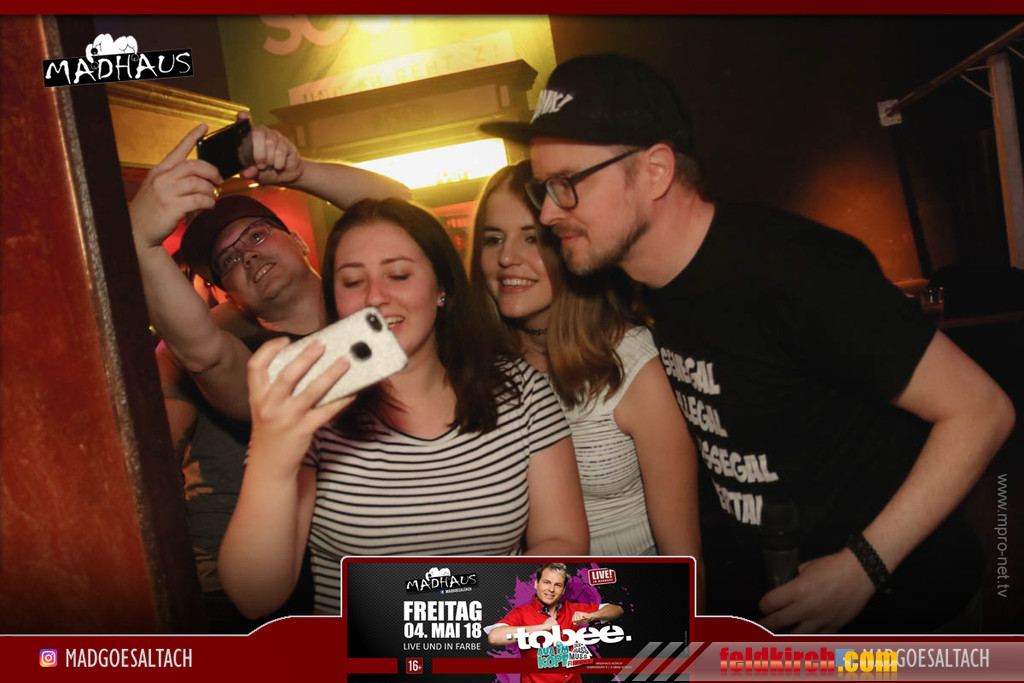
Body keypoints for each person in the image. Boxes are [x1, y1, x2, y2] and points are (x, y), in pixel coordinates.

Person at [480, 53, 1016, 633]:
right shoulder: (650, 288)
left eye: (567, 185)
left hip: (908, 615)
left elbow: (982, 410)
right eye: (544, 188)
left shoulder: (792, 270)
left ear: (655, 171)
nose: (550, 212)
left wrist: (863, 566)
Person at [218, 198, 589, 618]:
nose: (375, 296)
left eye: (398, 275)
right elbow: (254, 597)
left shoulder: (522, 392)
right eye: (352, 281)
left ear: (441, 286)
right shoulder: (308, 408)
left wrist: (445, 613)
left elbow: (563, 542)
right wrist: (272, 457)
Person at [130, 114, 409, 628]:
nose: (248, 255)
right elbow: (206, 355)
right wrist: (141, 242)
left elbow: (404, 215)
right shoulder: (264, 366)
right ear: (229, 295)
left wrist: (299, 172)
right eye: (229, 261)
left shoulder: (377, 314)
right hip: (293, 591)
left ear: (299, 241)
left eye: (257, 235)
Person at [470, 161, 702, 565]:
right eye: (493, 239)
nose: (506, 257)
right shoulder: (476, 368)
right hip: (526, 590)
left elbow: (683, 557)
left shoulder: (632, 365)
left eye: (531, 238)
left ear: (569, 244)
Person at [486, 562, 624, 683]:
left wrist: (591, 616)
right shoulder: (521, 613)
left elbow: (617, 610)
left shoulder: (572, 608)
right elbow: (494, 637)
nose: (551, 589)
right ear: (536, 583)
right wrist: (541, 628)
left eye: (557, 585)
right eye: (546, 582)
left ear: (563, 590)